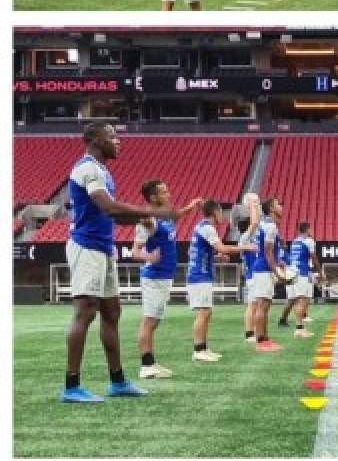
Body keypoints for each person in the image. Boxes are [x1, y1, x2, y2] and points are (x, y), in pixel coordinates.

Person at [60, 123, 196, 403]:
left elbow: (116, 216)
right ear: (94, 140)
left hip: (103, 248)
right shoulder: (87, 168)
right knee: (84, 313)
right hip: (86, 247)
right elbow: (108, 207)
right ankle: (71, 386)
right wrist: (150, 211)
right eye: (111, 136)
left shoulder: (103, 171)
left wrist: (145, 217)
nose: (118, 141)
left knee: (111, 312)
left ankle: (118, 382)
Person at [187, 199, 256, 362]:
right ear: (214, 212)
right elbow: (223, 247)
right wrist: (244, 247)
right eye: (220, 212)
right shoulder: (207, 228)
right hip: (199, 276)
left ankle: (203, 348)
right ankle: (198, 350)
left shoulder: (201, 227)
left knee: (206, 312)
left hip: (199, 274)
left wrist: (217, 257)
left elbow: (199, 252)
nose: (223, 216)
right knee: (203, 312)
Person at [131, 180, 179, 380]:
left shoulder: (164, 218)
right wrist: (149, 257)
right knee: (149, 321)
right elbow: (135, 252)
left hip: (164, 275)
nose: (168, 194)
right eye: (164, 192)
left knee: (154, 320)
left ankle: (151, 362)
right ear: (153, 198)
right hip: (154, 277)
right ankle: (146, 365)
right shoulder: (147, 220)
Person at [248, 196, 288, 351]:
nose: (281, 207)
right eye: (278, 204)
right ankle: (261, 341)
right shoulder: (270, 226)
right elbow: (268, 252)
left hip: (262, 267)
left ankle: (265, 338)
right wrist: (277, 273)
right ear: (271, 208)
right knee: (262, 306)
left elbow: (269, 252)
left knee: (264, 305)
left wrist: (278, 262)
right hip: (263, 269)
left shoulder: (265, 224)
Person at [278, 220, 320, 337]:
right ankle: (299, 328)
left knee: (297, 299)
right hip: (301, 272)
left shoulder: (295, 241)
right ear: (307, 229)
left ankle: (290, 323)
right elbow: (314, 257)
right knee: (302, 300)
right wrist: (320, 272)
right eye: (310, 229)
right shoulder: (309, 241)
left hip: (293, 272)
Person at [239, 194, 262, 343]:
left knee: (256, 304)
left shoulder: (254, 235)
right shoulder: (245, 237)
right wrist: (253, 206)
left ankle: (253, 331)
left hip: (256, 274)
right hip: (252, 274)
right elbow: (254, 223)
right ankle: (249, 333)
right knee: (252, 304)